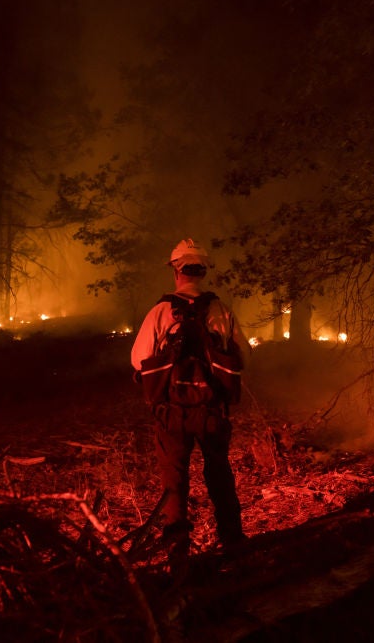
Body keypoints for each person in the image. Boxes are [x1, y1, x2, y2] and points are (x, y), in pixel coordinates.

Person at [131, 238, 249, 575]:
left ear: (176, 270)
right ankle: (233, 541)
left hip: (172, 414)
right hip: (212, 412)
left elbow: (138, 360)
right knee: (219, 474)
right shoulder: (220, 310)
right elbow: (244, 357)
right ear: (203, 270)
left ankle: (178, 557)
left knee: (175, 481)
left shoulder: (161, 312)